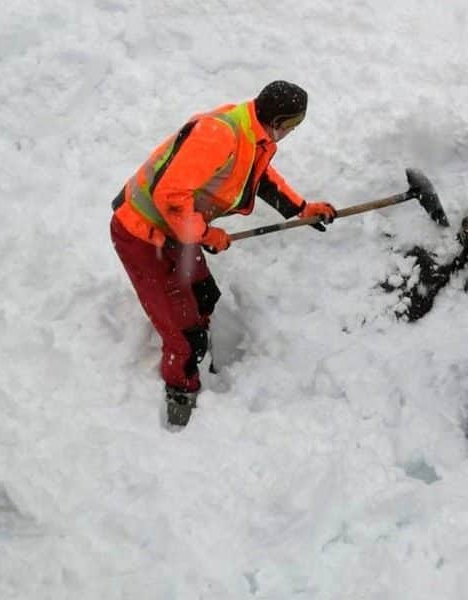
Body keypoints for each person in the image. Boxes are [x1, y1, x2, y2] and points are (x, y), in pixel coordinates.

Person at [110, 80, 337, 426]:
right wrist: (204, 233)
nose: (292, 133)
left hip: (176, 232)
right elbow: (170, 197)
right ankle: (180, 397)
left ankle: (201, 347)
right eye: (293, 126)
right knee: (182, 334)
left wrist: (301, 209)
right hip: (143, 236)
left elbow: (257, 177)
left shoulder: (252, 130)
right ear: (278, 121)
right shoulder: (219, 136)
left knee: (203, 297)